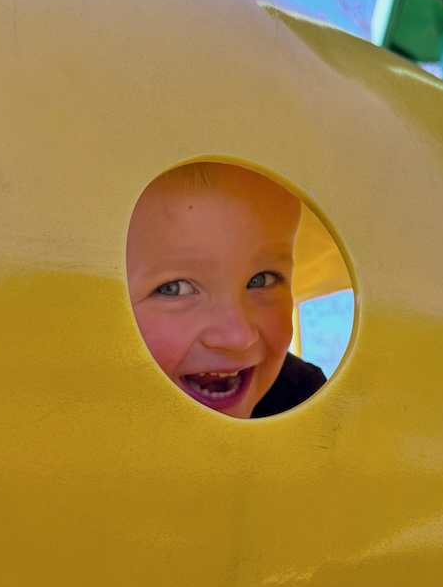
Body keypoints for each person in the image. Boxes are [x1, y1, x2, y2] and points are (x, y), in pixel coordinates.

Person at [126, 162, 326, 418]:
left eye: (261, 280)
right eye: (174, 289)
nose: (237, 337)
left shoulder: (302, 405)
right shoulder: (67, 419)